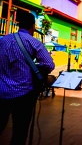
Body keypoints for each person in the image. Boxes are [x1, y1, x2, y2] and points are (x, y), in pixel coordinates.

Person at [0, 12, 55, 145]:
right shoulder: (33, 42)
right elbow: (49, 64)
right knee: (19, 132)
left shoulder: (3, 40)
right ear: (33, 26)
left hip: (1, 92)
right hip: (23, 94)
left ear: (18, 24)